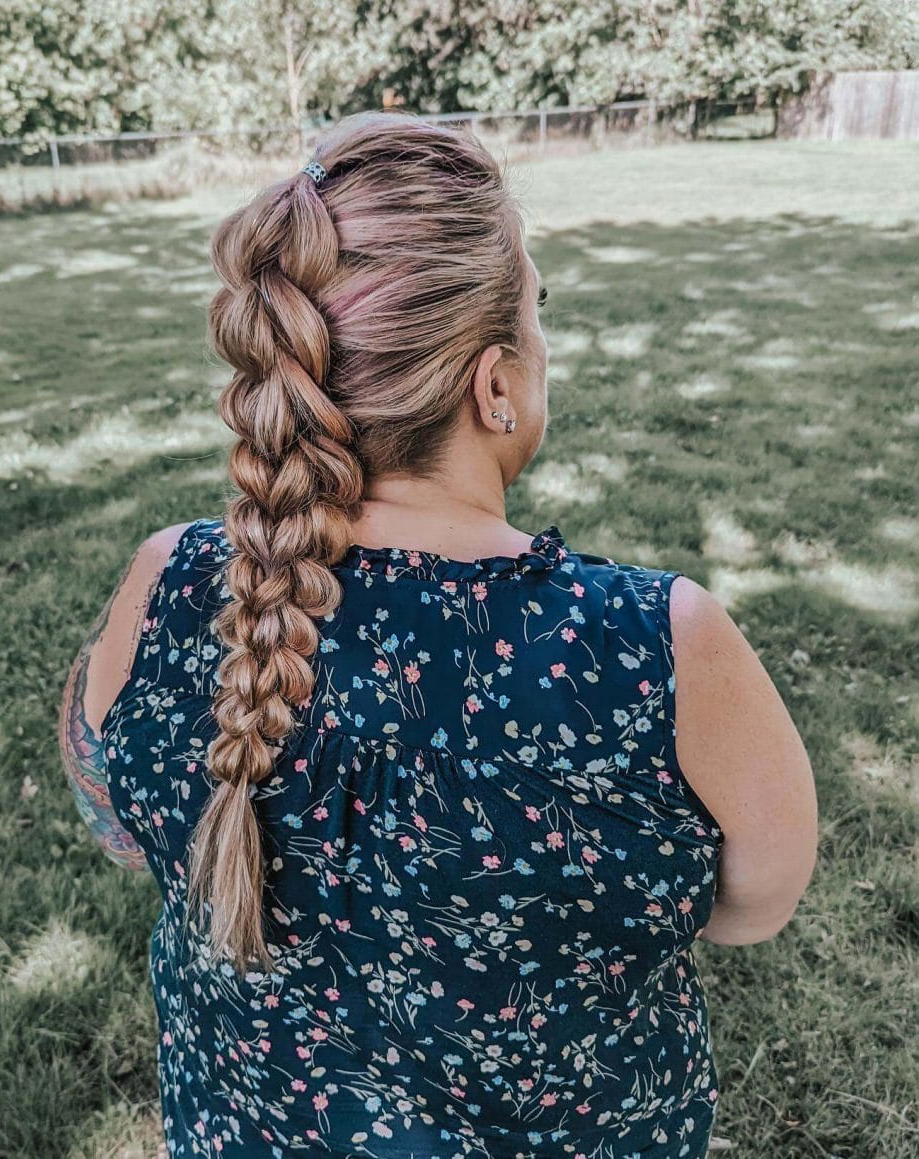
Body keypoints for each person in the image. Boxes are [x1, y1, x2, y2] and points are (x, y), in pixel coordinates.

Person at [58, 110, 818, 1159]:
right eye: (536, 310)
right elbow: (752, 907)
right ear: (492, 384)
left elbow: (114, 811)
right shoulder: (652, 646)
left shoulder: (169, 579)